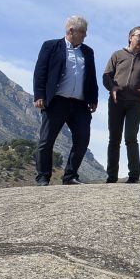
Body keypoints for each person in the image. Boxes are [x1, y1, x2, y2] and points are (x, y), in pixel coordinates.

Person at [32, 15, 98, 186]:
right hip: (56, 101)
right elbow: (40, 71)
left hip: (80, 104)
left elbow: (92, 77)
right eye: (82, 32)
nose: (85, 36)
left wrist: (94, 98)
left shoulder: (88, 52)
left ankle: (70, 176)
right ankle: (43, 177)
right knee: (47, 140)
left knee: (83, 138)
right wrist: (39, 95)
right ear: (71, 31)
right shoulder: (51, 46)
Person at [101, 26, 140, 183]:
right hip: (116, 102)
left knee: (131, 137)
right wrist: (112, 87)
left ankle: (134, 175)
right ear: (130, 37)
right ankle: (111, 176)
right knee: (114, 139)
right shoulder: (117, 55)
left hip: (136, 103)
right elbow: (106, 76)